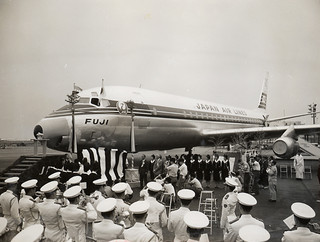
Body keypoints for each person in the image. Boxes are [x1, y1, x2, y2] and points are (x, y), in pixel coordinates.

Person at [0, 177, 22, 241]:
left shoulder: (2, 195)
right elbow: (14, 214)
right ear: (14, 186)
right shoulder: (13, 197)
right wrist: (19, 222)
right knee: (12, 238)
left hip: (5, 219)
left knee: (5, 237)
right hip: (12, 221)